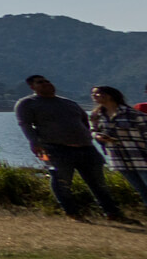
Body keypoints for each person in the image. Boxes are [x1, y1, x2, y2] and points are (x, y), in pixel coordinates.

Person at [17, 75, 125, 222]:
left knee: (99, 183)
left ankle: (112, 213)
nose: (46, 84)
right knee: (62, 183)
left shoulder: (69, 103)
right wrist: (35, 144)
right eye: (40, 83)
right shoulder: (27, 103)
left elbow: (84, 121)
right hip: (55, 149)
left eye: (47, 81)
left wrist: (88, 137)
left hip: (86, 148)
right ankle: (73, 213)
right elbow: (25, 125)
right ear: (32, 87)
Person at [90, 85, 147, 207]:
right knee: (141, 190)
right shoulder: (97, 116)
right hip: (119, 159)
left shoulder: (132, 114)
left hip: (141, 157)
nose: (94, 96)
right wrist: (98, 136)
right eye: (93, 94)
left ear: (109, 95)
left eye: (97, 93)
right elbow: (93, 131)